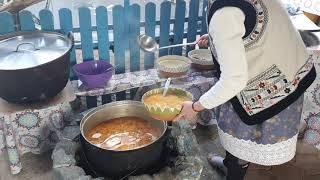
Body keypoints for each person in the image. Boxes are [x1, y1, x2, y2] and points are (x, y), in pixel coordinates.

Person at [176, 0, 316, 180]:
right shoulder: (226, 16)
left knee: (243, 141)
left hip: (268, 89)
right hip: (288, 69)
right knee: (237, 143)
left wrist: (195, 107)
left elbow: (233, 81)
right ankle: (231, 165)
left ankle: (236, 172)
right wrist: (218, 37)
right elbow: (243, 22)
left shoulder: (224, 15)